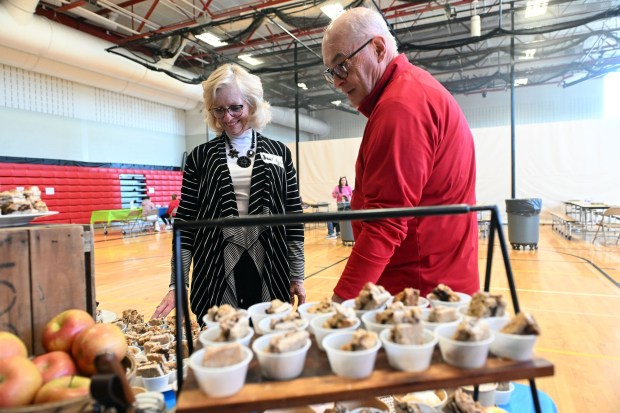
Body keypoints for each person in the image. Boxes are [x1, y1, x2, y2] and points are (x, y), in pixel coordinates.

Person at [321, 7, 479, 300]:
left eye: (342, 65)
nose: (337, 81)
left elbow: (386, 223)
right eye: (332, 71)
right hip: (432, 284)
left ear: (378, 48)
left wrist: (341, 302)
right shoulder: (412, 90)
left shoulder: (401, 106)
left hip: (419, 295)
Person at [152, 64, 306, 323]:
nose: (227, 117)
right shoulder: (200, 157)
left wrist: (297, 274)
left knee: (268, 340)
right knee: (220, 346)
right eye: (219, 109)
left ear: (252, 105)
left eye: (236, 108)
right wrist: (177, 283)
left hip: (271, 266)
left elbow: (294, 218)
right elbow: (186, 223)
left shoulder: (280, 152)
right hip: (214, 270)